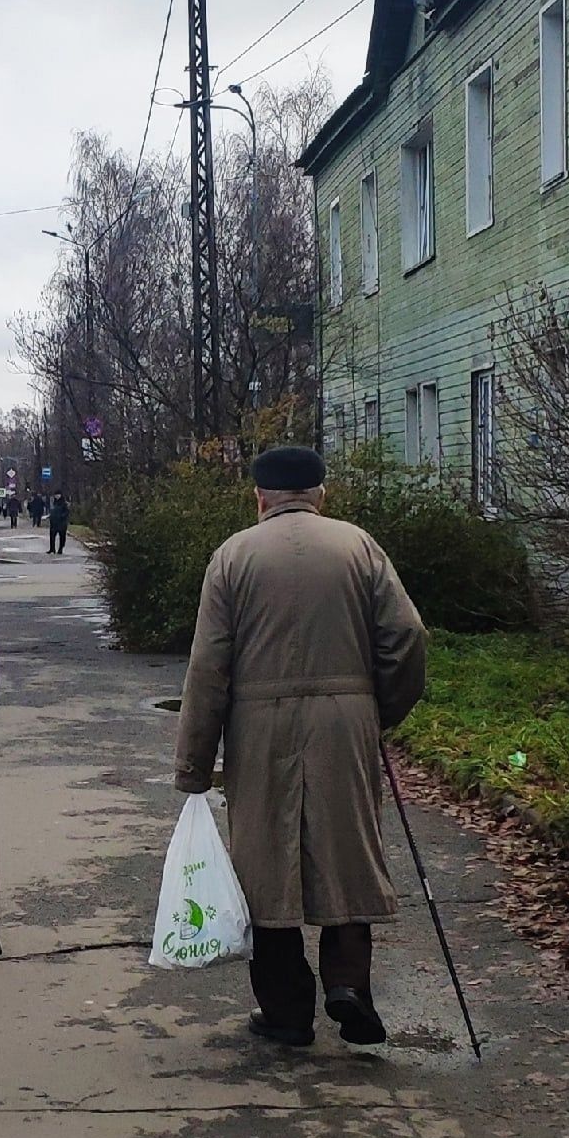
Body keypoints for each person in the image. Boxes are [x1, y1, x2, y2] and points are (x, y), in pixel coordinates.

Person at [174, 447, 427, 1048]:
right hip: (346, 720)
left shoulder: (232, 557)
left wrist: (193, 765)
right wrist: (377, 708)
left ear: (259, 497)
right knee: (346, 849)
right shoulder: (359, 547)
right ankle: (349, 986)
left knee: (265, 865)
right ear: (321, 494)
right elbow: (407, 635)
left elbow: (209, 666)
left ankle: (287, 1011)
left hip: (259, 725)